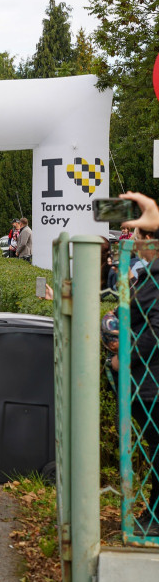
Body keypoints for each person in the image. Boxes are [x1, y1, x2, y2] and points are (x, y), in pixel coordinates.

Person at [110, 191, 159, 535]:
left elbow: (153, 331)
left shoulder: (155, 273)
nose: (132, 240)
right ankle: (152, 516)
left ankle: (154, 519)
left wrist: (122, 358)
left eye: (138, 235)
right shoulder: (148, 273)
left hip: (151, 382)